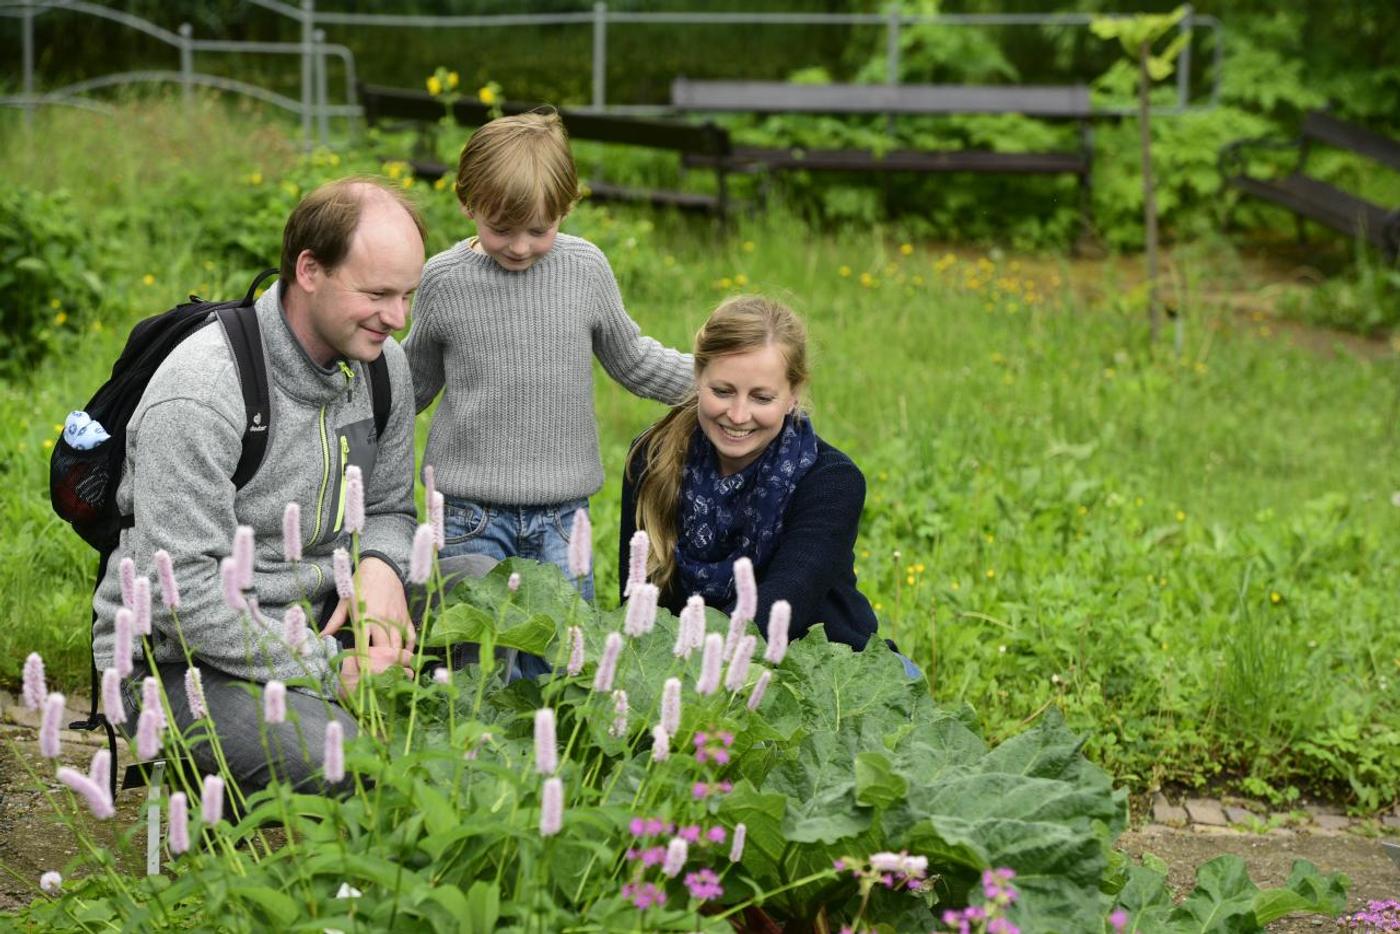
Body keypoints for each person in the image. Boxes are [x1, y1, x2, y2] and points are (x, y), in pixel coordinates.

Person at [91, 177, 425, 793]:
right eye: (378, 293)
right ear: (309, 270)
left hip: (326, 612)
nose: (397, 319)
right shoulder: (203, 393)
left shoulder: (382, 365)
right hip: (184, 660)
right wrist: (334, 672)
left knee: (487, 591)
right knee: (351, 760)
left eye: (407, 294)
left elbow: (391, 507)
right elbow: (182, 596)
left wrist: (380, 561)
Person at [403, 109, 691, 608]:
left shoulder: (585, 269)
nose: (519, 247)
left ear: (566, 208)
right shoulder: (443, 280)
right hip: (468, 515)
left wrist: (719, 383)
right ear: (468, 203)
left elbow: (634, 360)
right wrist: (342, 398)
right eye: (502, 229)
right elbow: (412, 383)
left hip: (562, 518)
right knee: (478, 660)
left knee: (561, 661)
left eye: (539, 229)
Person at [620, 295, 899, 659]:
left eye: (761, 398)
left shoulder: (831, 482)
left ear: (793, 395)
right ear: (697, 377)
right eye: (722, 391)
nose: (737, 415)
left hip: (827, 667)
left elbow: (777, 608)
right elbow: (637, 603)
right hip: (687, 668)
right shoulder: (652, 459)